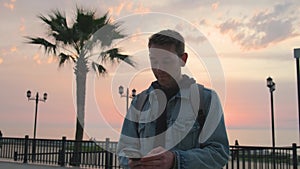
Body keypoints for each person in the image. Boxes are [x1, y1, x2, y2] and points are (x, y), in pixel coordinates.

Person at [117, 29, 229, 169]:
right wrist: (131, 162)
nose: (159, 68)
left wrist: (175, 160)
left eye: (166, 61)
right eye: (154, 60)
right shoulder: (139, 102)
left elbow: (219, 154)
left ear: (183, 60)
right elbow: (123, 151)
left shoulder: (206, 99)